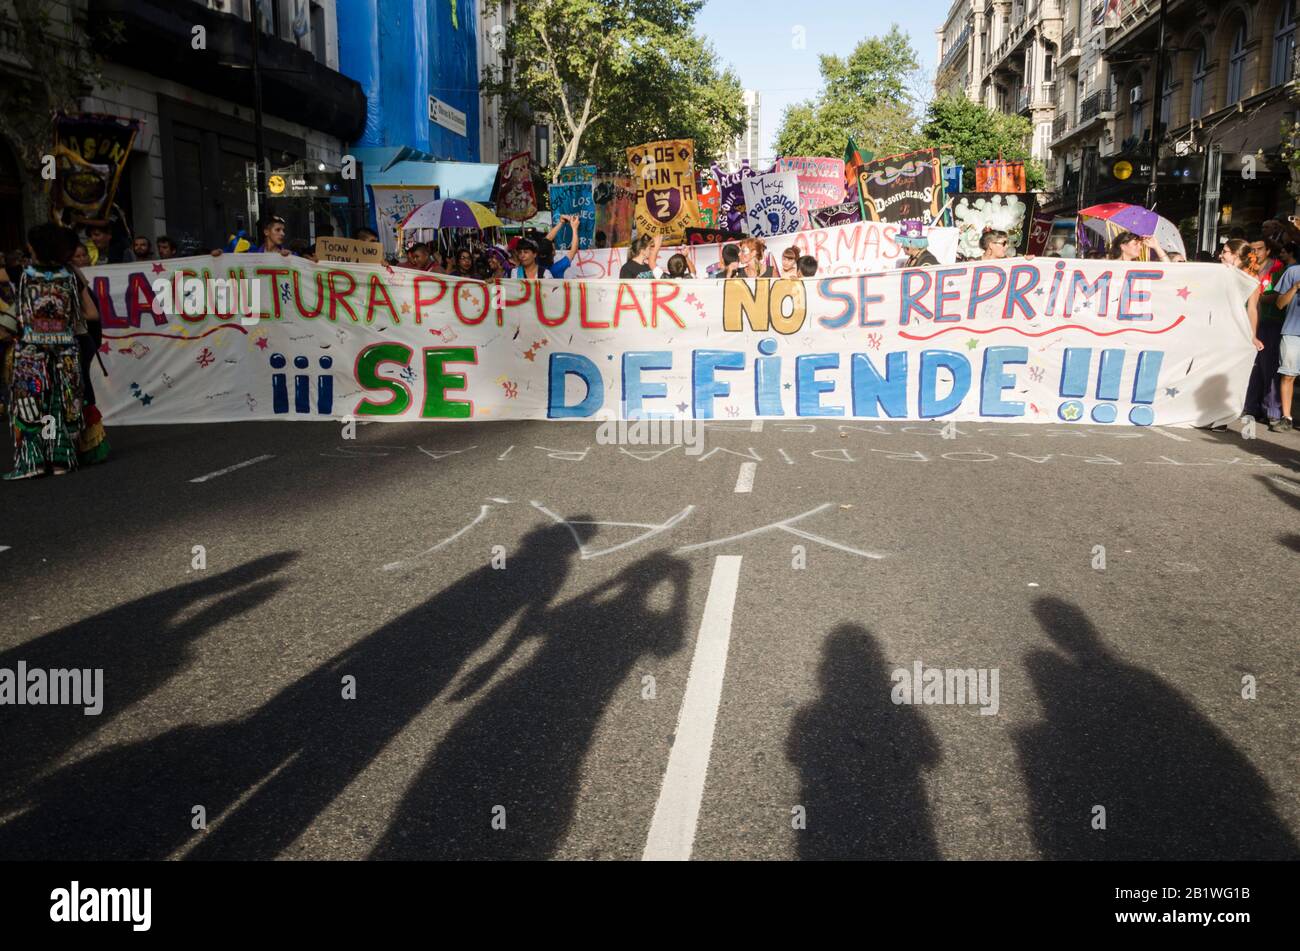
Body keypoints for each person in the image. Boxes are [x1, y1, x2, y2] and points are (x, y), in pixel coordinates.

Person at [0, 224, 96, 479]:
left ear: (37, 248)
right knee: (61, 404)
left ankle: (35, 463)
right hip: (65, 349)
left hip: (32, 351)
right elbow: (89, 313)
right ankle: (62, 459)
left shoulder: (26, 274)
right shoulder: (70, 275)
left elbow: (17, 313)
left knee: (30, 405)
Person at [1266, 250, 1300, 431]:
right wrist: (1294, 288)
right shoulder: (1293, 272)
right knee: (1288, 374)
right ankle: (1286, 417)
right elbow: (1279, 304)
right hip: (1293, 331)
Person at [543, 214, 581, 278]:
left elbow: (546, 241)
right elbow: (573, 251)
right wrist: (574, 228)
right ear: (553, 253)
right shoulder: (556, 268)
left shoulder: (537, 263)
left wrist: (561, 222)